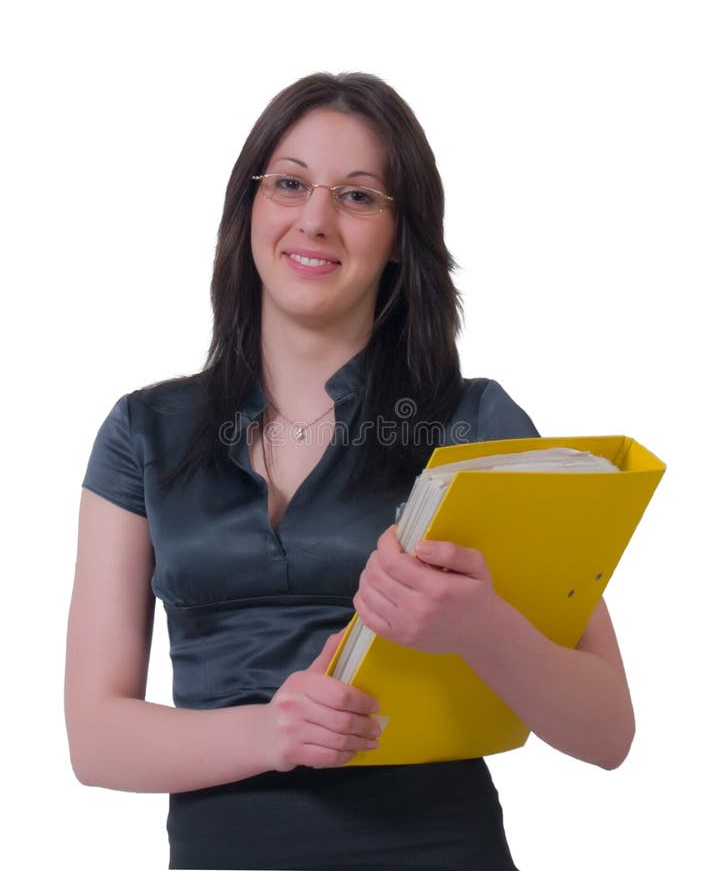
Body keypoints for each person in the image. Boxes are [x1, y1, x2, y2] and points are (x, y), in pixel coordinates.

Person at [65, 72, 635, 871]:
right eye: (290, 184)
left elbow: (607, 731)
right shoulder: (143, 432)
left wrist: (480, 628)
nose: (316, 218)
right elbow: (95, 739)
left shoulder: (473, 424)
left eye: (360, 197)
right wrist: (271, 733)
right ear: (249, 206)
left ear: (402, 235)